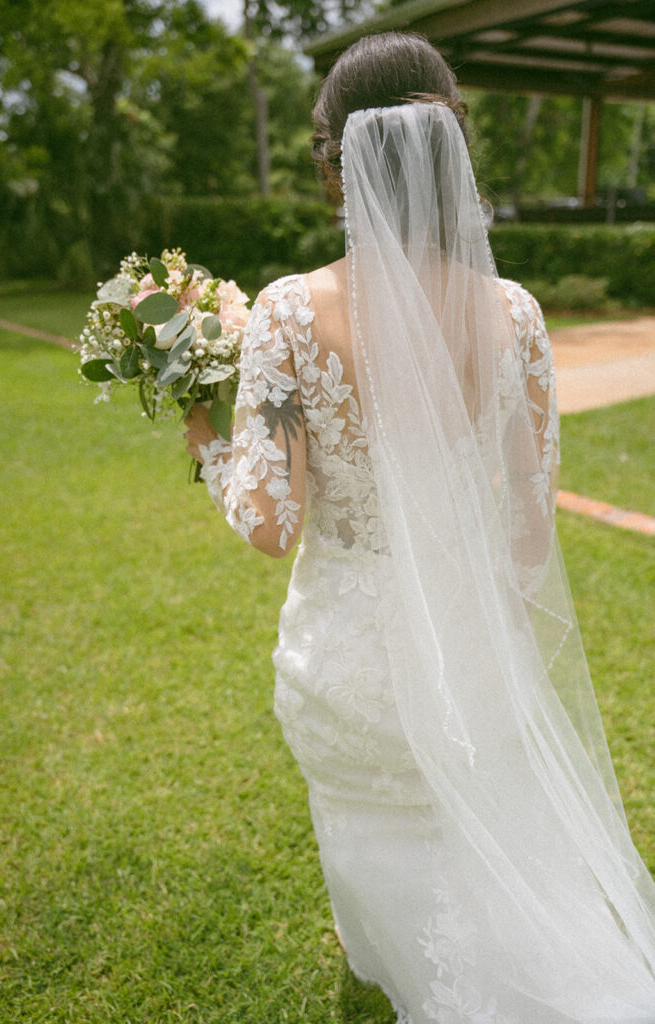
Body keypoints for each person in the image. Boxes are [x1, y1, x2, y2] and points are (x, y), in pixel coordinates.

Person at [185, 32, 655, 1024]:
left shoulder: (286, 313)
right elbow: (528, 524)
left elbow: (269, 524)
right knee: (464, 825)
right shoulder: (516, 314)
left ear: (335, 163)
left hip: (350, 665)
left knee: (368, 818)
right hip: (476, 656)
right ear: (451, 151)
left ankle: (391, 953)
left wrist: (199, 432)